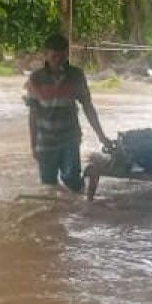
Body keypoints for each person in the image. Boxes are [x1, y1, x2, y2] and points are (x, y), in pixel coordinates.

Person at [25, 33, 111, 192]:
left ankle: (78, 210)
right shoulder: (35, 79)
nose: (58, 60)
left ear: (66, 54)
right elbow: (33, 114)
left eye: (62, 56)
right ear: (46, 55)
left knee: (72, 180)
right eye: (54, 56)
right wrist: (33, 144)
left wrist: (101, 135)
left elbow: (88, 106)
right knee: (49, 184)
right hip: (45, 140)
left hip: (70, 138)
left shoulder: (76, 76)